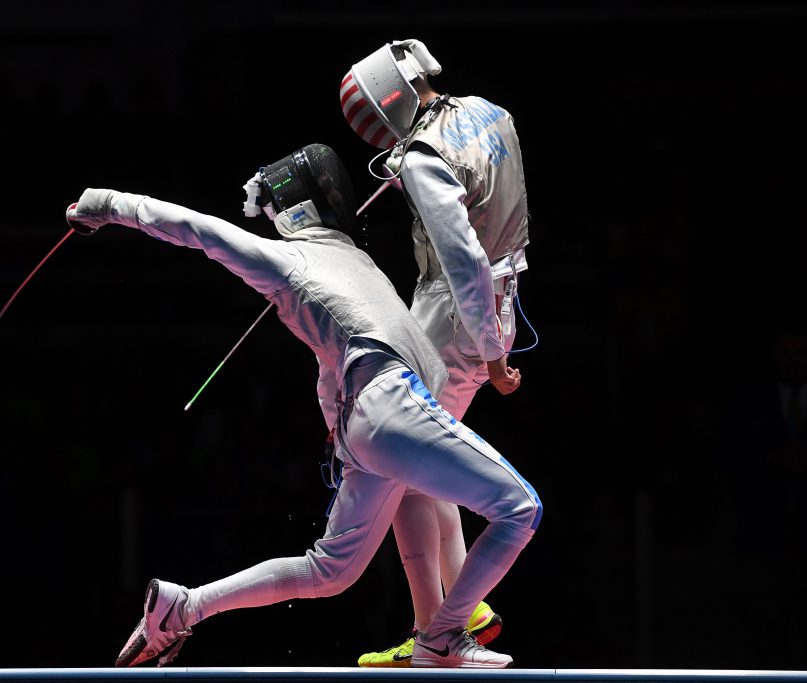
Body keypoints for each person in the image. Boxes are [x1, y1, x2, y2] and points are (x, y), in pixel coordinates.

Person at [66, 143, 541, 669]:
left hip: (373, 422)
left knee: (329, 572)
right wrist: (108, 202)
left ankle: (183, 608)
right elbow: (196, 229)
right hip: (390, 405)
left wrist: (336, 424)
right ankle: (443, 634)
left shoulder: (352, 258)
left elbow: (332, 364)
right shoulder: (282, 260)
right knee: (519, 509)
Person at [340, 40, 533, 666]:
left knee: (405, 459)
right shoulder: (488, 111)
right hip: (497, 300)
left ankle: (438, 631)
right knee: (423, 455)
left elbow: (463, 261)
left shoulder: (424, 157)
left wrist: (492, 353)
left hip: (453, 319)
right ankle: (451, 617)